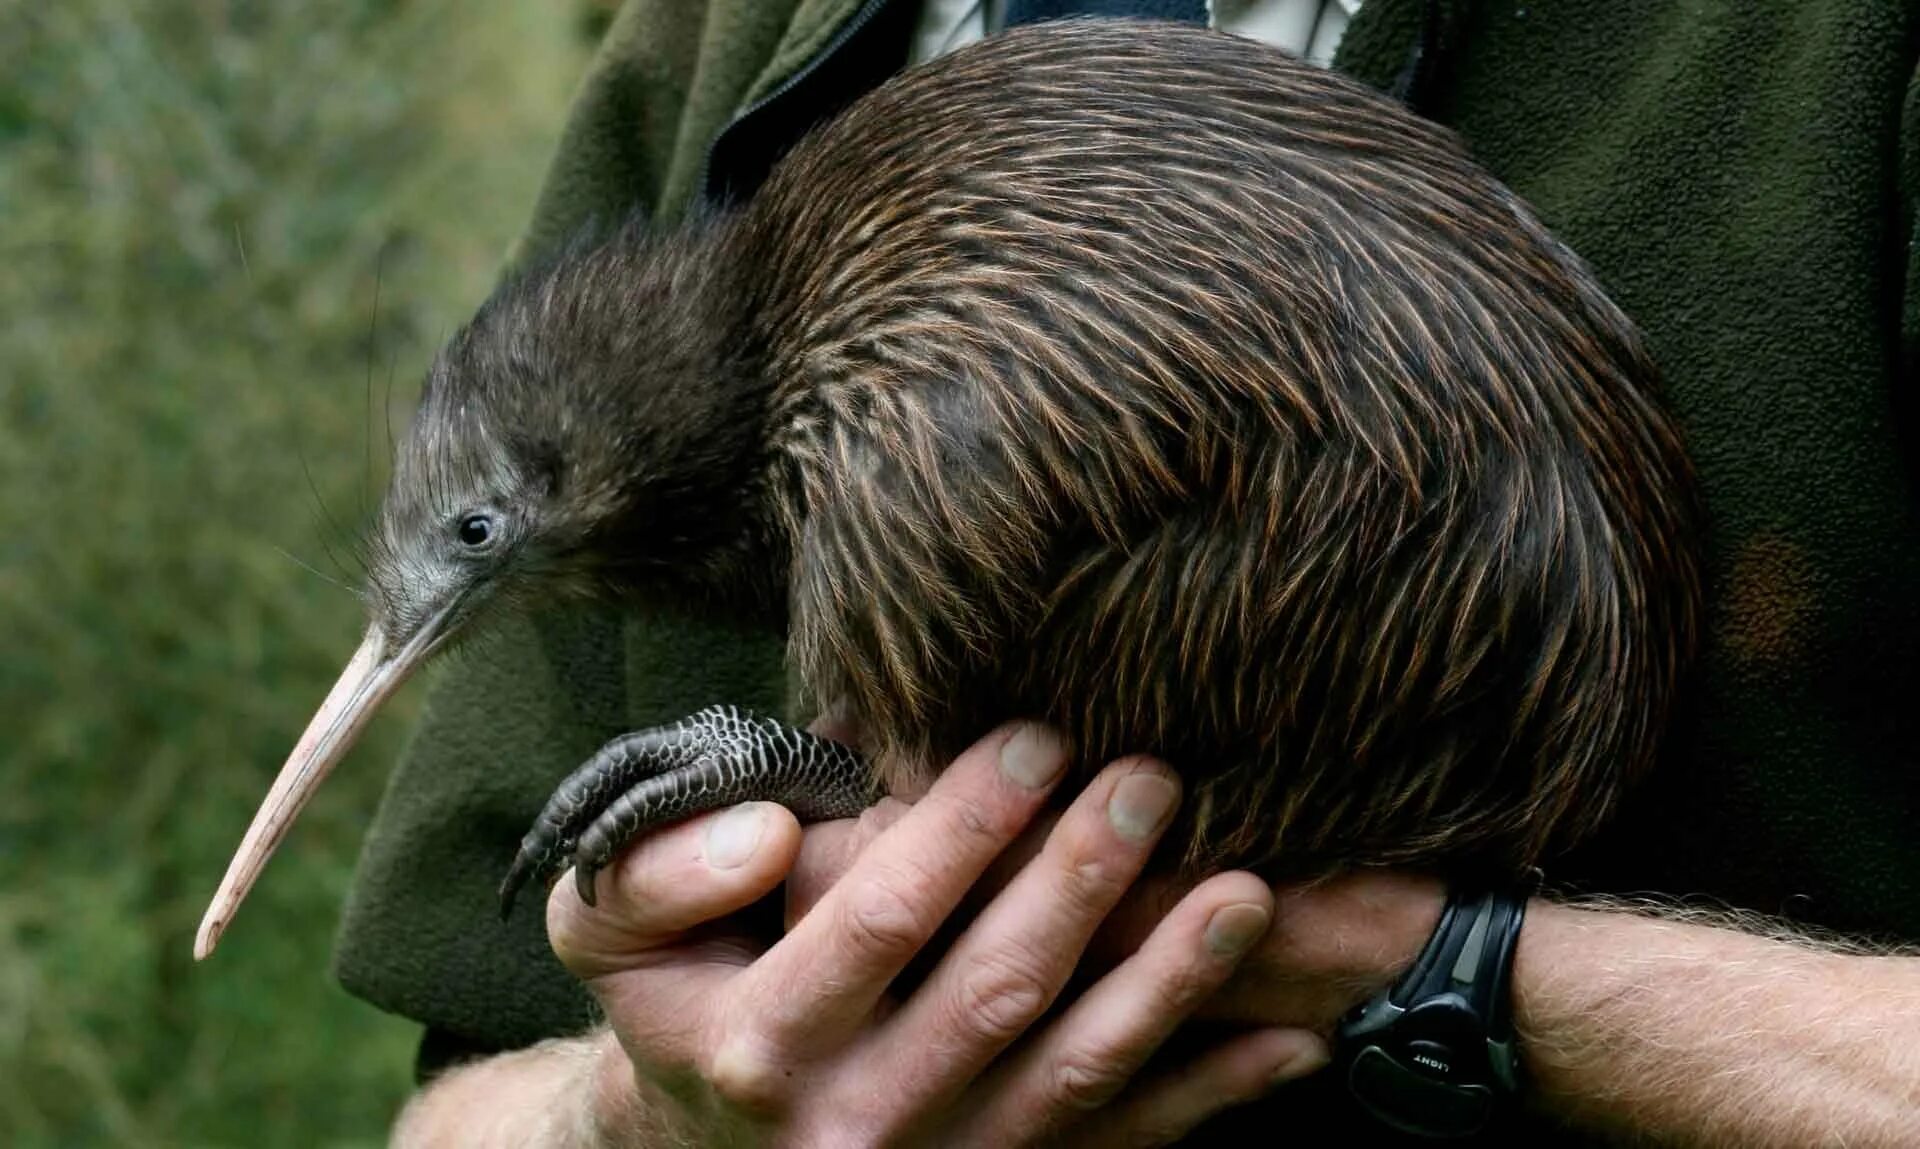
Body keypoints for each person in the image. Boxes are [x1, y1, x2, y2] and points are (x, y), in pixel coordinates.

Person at [333, 0, 1920, 1143]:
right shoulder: (732, 48)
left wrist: (1434, 970)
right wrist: (646, 1112)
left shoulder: (1821, 58)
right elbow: (471, 1096)